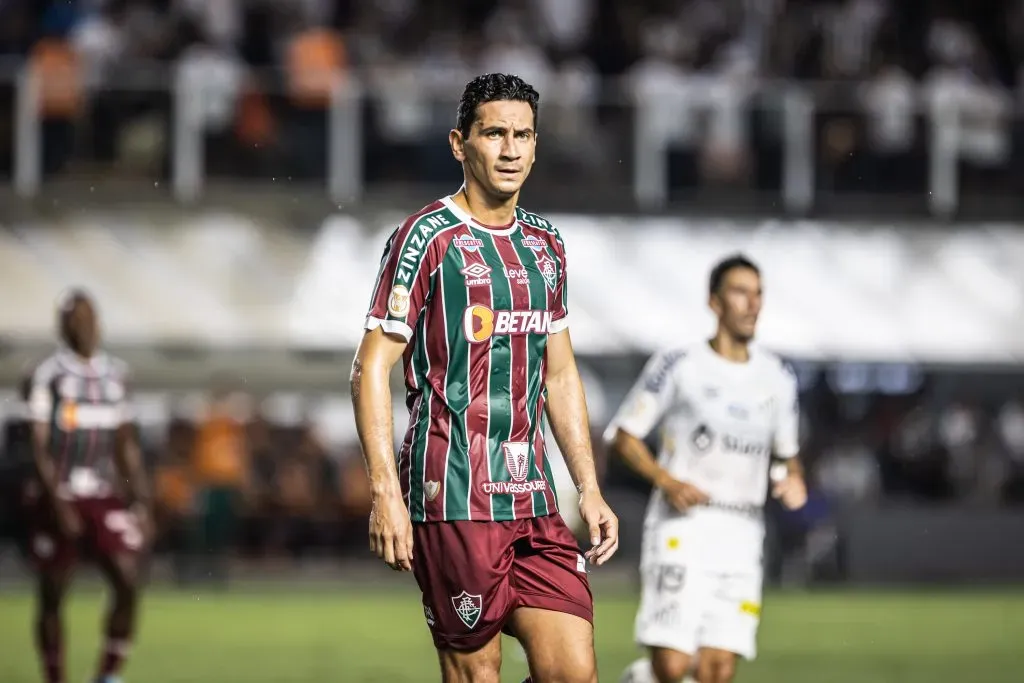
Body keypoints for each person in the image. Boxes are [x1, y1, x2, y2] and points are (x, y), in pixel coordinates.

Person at [350, 73, 618, 683]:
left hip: (534, 496)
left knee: (574, 674)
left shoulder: (546, 245)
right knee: (478, 673)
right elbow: (371, 366)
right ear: (458, 144)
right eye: (494, 133)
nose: (510, 149)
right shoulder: (426, 239)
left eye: (522, 135)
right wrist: (386, 492)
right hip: (453, 493)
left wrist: (589, 486)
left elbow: (560, 370)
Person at [606, 256, 808, 683]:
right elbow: (625, 435)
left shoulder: (778, 378)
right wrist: (668, 480)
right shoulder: (679, 364)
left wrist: (793, 479)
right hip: (684, 526)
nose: (752, 303)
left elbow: (787, 456)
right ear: (715, 302)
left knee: (718, 670)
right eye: (740, 292)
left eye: (758, 293)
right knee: (673, 665)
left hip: (743, 531)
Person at [25, 290, 151, 683]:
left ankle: (108, 676)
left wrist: (140, 500)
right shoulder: (49, 375)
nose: (80, 325)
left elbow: (125, 444)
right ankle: (54, 676)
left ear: (97, 321)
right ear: (62, 326)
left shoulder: (115, 376)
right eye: (72, 319)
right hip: (59, 492)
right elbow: (39, 445)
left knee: (128, 580)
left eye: (85, 317)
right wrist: (55, 500)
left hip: (99, 492)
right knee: (54, 590)